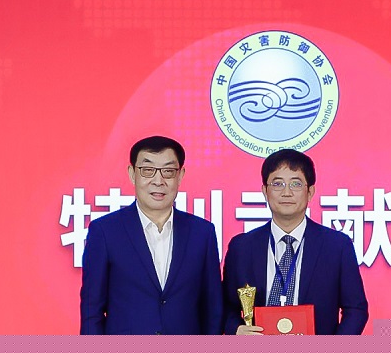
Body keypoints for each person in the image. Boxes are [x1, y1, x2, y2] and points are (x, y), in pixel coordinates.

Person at [79, 136, 223, 335]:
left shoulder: (202, 233)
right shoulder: (105, 231)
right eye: (147, 170)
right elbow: (91, 311)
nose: (158, 181)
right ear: (132, 174)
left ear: (180, 175)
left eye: (168, 171)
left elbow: (212, 308)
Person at [222, 149, 368, 335]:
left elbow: (356, 310)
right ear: (265, 191)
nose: (287, 192)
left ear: (310, 192)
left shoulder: (337, 246)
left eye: (296, 184)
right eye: (277, 184)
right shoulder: (241, 247)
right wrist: (236, 329)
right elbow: (226, 306)